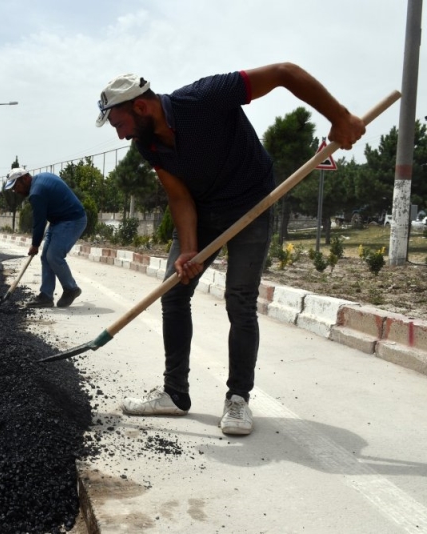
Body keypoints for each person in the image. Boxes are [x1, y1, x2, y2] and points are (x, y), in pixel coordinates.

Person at [95, 63, 365, 435]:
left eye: (119, 124)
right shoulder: (148, 143)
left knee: (239, 298)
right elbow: (178, 194)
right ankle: (174, 394)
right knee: (174, 292)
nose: (121, 135)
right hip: (203, 210)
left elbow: (285, 72)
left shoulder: (204, 98)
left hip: (251, 203)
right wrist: (188, 249)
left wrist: (340, 116)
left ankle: (238, 399)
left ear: (140, 108)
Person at [4, 168, 87, 308]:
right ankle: (46, 296)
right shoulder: (41, 178)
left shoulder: (36, 192)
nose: (16, 191)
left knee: (53, 256)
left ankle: (71, 288)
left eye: (16, 186)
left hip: (72, 219)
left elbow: (39, 221)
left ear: (25, 178)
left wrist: (35, 244)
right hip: (58, 220)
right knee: (45, 257)